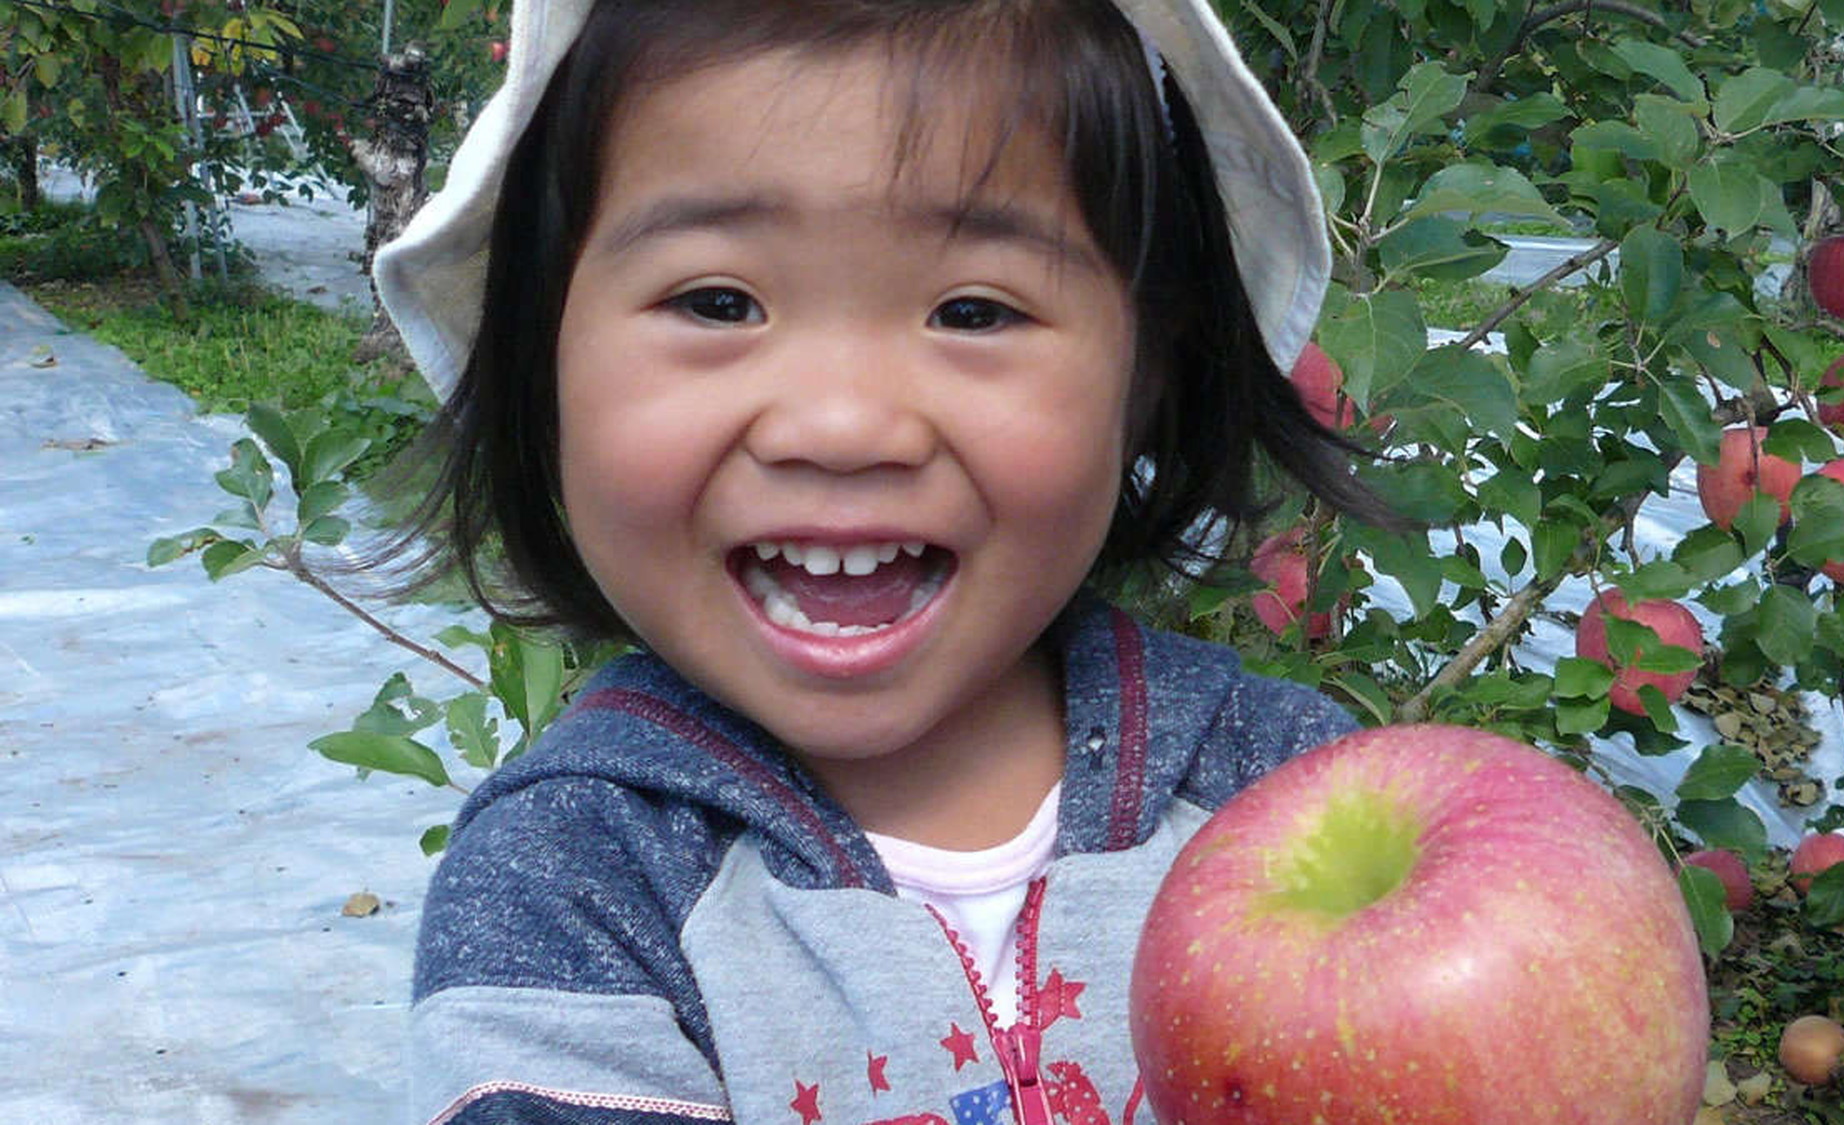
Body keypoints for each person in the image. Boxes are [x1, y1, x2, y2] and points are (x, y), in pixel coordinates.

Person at [372, 0, 1401, 1120]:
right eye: (718, 302)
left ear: (1147, 375)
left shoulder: (1280, 792)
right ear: (544, 370)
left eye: (971, 311)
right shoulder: (571, 892)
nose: (843, 424)